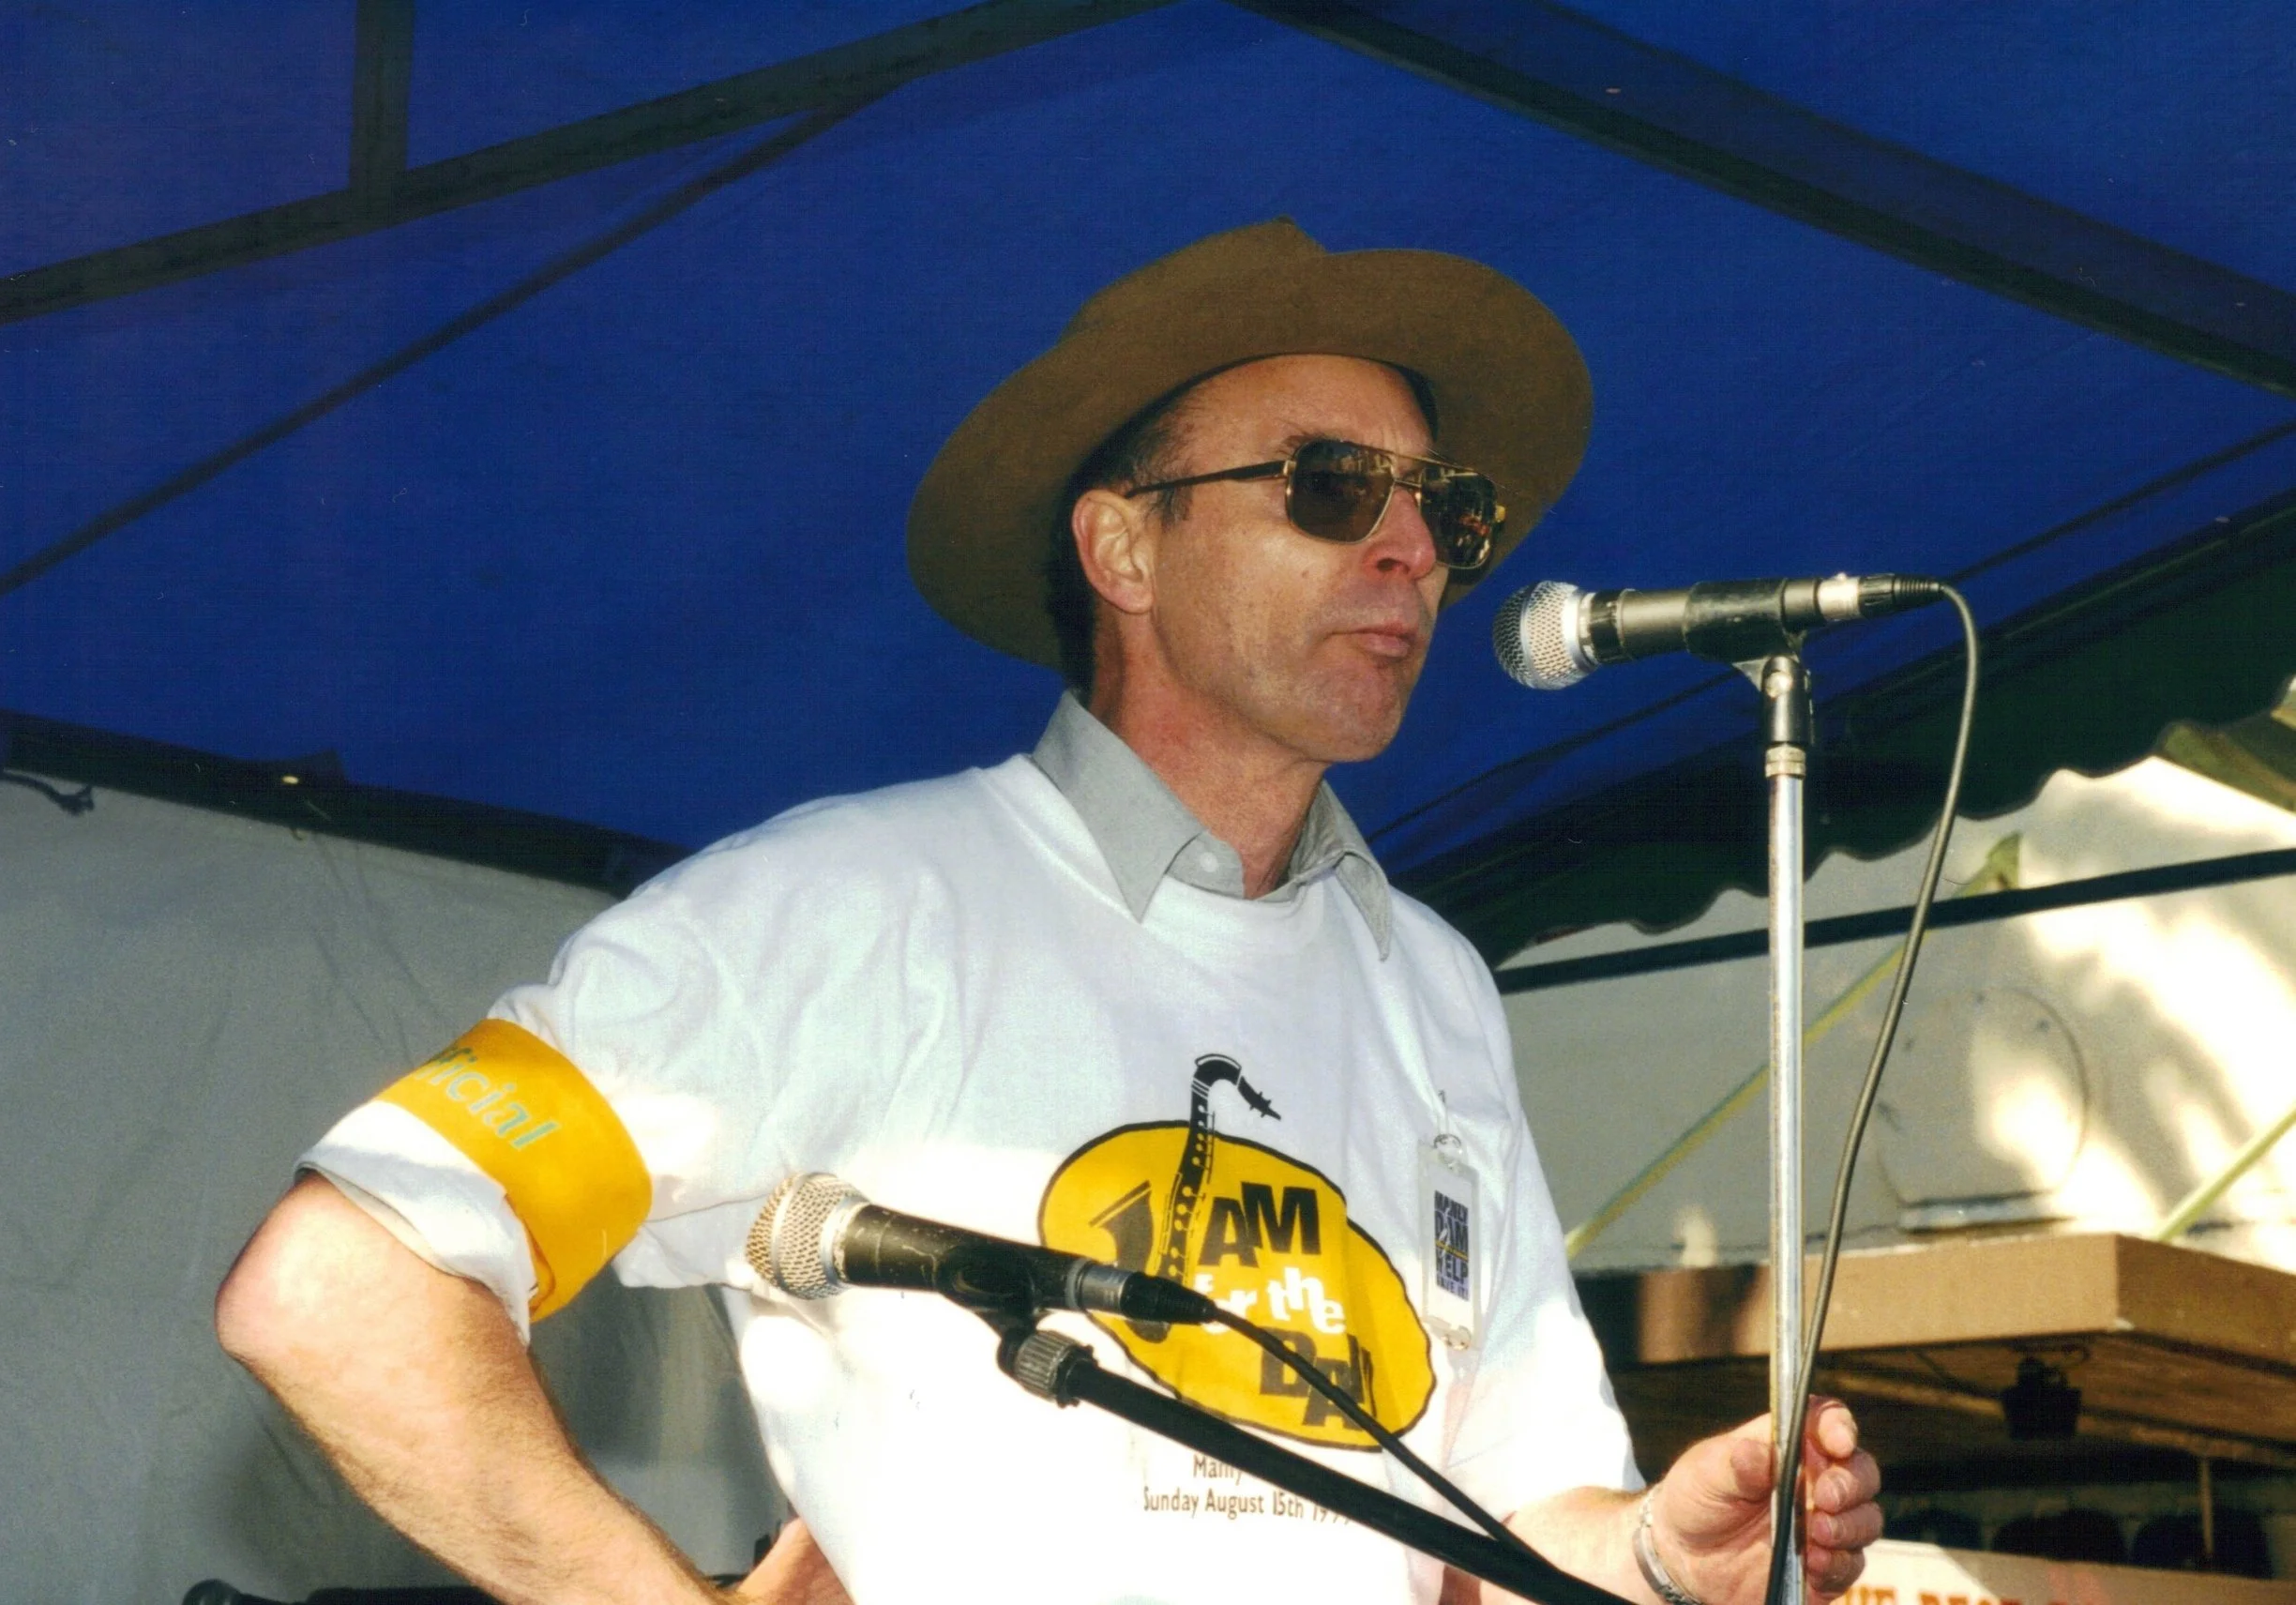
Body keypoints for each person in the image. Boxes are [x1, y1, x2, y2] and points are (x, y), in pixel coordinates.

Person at [216, 220, 1881, 1605]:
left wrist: (1664, 1556)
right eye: (1327, 485)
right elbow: (341, 1276)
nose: (1411, 550)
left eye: (1443, 509)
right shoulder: (845, 906)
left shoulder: (1432, 979)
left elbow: (1498, 1529)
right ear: (1123, 548)